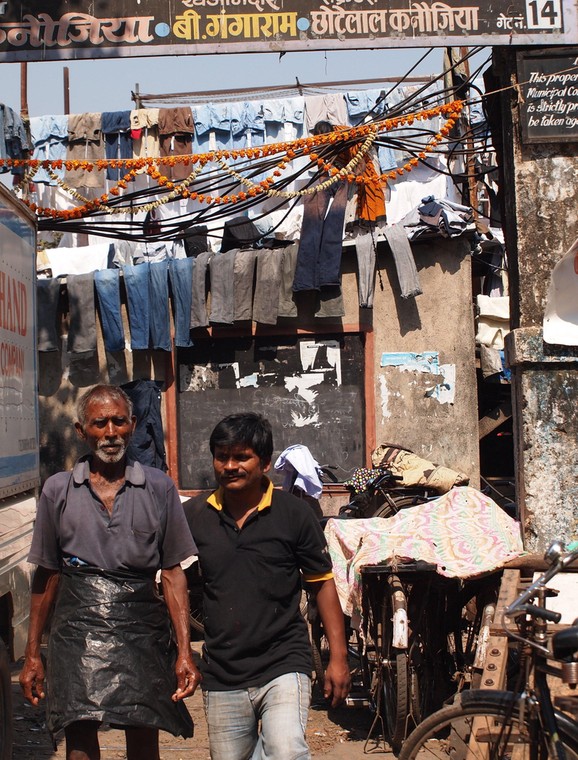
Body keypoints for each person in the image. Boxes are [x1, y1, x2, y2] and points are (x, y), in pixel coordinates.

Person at [19, 384, 201, 760]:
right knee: (80, 735)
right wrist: (33, 652)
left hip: (142, 627)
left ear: (133, 426)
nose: (111, 432)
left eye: (119, 421)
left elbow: (172, 573)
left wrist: (185, 651)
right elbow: (47, 575)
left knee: (143, 731)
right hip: (77, 629)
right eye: (100, 423)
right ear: (81, 430)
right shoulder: (58, 490)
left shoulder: (159, 487)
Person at [183, 412, 350, 760]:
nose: (230, 465)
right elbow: (170, 579)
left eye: (241, 457)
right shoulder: (195, 515)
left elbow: (322, 585)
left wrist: (338, 657)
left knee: (286, 751)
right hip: (222, 673)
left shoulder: (294, 514)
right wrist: (182, 652)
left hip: (284, 661)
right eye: (222, 456)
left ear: (266, 463)